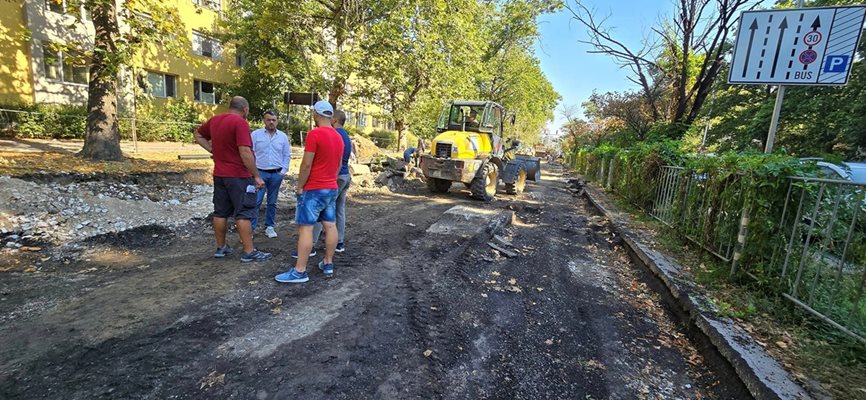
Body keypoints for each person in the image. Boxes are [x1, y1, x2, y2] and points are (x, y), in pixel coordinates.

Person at [194, 96, 272, 263]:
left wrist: (213, 149)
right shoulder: (240, 123)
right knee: (244, 212)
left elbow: (198, 135)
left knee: (220, 212)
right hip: (238, 175)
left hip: (220, 174)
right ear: (245, 109)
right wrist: (256, 175)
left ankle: (221, 247)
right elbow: (245, 151)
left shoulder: (215, 120)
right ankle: (249, 251)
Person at [275, 100, 344, 283]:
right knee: (330, 225)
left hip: (314, 189)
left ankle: (300, 271)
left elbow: (306, 164)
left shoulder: (315, 134)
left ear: (316, 114)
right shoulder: (338, 137)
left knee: (306, 228)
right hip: (331, 188)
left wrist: (299, 186)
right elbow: (338, 166)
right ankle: (328, 263)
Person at [309, 110, 352, 253]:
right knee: (339, 210)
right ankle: (339, 242)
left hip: (336, 178)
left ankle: (311, 245)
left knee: (320, 210)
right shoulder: (345, 136)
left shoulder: (335, 135)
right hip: (345, 176)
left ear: (334, 120)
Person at [250, 110, 291, 238]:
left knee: (272, 202)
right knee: (256, 201)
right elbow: (250, 153)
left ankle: (269, 226)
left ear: (277, 121)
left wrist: (283, 172)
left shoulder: (283, 137)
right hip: (260, 173)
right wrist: (253, 173)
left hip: (276, 174)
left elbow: (287, 155)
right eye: (268, 120)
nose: (271, 122)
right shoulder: (256, 135)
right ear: (264, 120)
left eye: (273, 120)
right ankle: (251, 229)